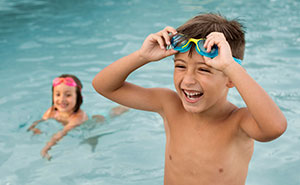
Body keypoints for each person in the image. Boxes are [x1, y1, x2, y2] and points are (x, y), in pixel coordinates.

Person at [92, 13, 287, 185]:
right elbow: (104, 86)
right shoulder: (169, 105)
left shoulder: (238, 121)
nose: (188, 79)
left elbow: (275, 127)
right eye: (180, 66)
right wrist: (142, 56)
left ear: (231, 79)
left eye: (203, 69)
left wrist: (231, 67)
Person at [28, 74, 128, 160]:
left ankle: (127, 105)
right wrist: (35, 129)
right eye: (57, 94)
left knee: (112, 114)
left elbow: (62, 133)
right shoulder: (52, 111)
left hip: (95, 122)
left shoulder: (77, 118)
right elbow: (41, 121)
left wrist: (46, 148)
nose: (62, 99)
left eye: (68, 95)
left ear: (78, 97)